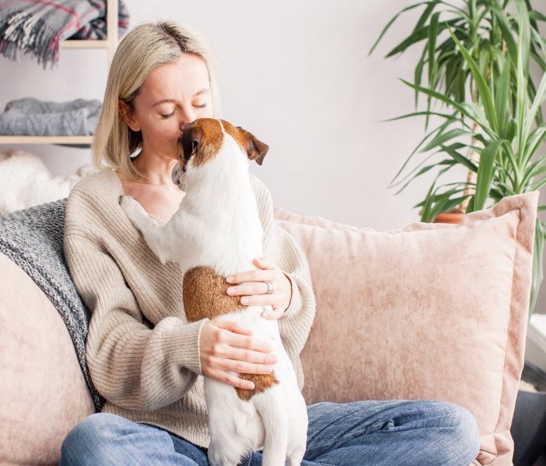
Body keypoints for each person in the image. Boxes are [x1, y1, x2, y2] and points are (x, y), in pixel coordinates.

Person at [61, 20, 480, 466]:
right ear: (129, 115)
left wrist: (286, 294)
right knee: (93, 444)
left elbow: (296, 319)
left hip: (272, 420)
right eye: (166, 112)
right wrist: (189, 346)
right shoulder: (96, 205)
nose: (191, 123)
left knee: (452, 429)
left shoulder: (246, 190)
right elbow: (109, 354)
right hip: (170, 435)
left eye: (200, 102)